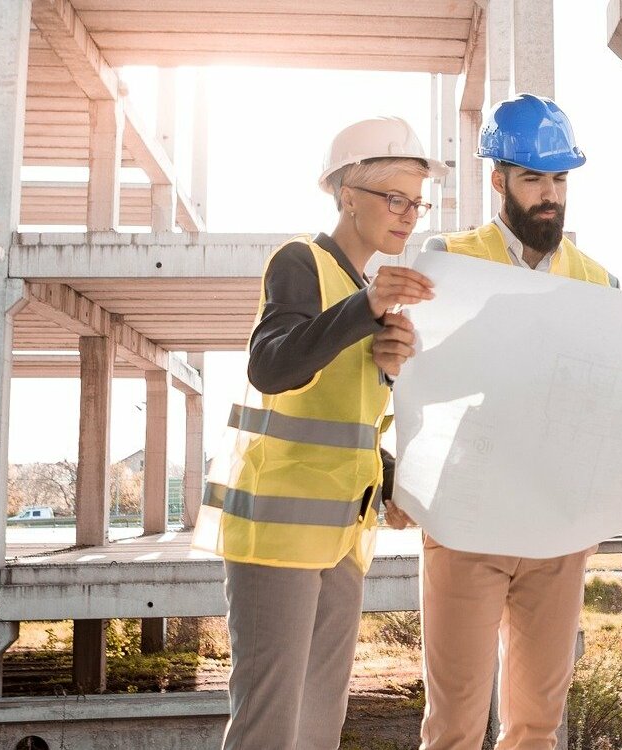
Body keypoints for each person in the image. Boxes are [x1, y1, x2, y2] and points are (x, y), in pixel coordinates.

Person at [204, 116, 441, 750]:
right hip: (277, 536)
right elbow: (273, 364)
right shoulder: (300, 261)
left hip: (341, 537)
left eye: (416, 202)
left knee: (318, 726)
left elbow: (347, 425)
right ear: (345, 193)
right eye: (395, 198)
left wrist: (387, 374)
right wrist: (363, 312)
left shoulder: (366, 293)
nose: (408, 214)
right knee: (269, 723)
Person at [389, 93, 616, 750]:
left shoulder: (596, 283)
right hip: (467, 523)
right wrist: (398, 471)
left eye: (559, 179)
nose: (549, 195)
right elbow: (406, 379)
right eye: (533, 178)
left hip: (555, 530)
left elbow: (607, 406)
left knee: (537, 729)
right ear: (499, 180)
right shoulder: (447, 260)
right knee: (455, 725)